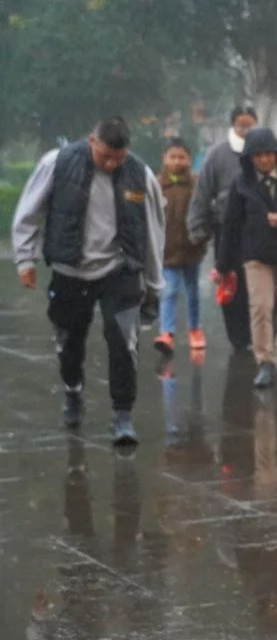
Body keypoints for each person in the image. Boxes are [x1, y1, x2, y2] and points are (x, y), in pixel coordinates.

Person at [11, 116, 164, 445]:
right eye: (105, 156)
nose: (111, 164)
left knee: (124, 342)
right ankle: (73, 390)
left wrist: (154, 284)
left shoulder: (140, 174)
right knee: (69, 341)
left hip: (119, 270)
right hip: (70, 271)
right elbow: (28, 211)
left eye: (118, 158)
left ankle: (123, 415)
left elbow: (151, 231)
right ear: (92, 142)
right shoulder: (58, 163)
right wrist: (25, 258)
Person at [216, 128, 277, 389]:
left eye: (268, 154)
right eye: (258, 155)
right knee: (260, 307)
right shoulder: (241, 184)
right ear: (250, 158)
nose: (264, 160)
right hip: (256, 255)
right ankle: (265, 362)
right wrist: (223, 266)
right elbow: (231, 226)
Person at [188, 106, 259, 352]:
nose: (246, 130)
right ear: (233, 125)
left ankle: (261, 334)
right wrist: (197, 226)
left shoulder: (264, 153)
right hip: (226, 230)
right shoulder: (217, 154)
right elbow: (203, 192)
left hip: (260, 230)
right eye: (241, 125)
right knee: (230, 282)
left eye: (250, 125)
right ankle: (238, 339)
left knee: (259, 283)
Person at [154, 137, 207, 355]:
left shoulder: (197, 184)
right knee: (170, 291)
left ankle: (195, 328)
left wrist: (203, 235)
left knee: (193, 291)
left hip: (192, 249)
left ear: (189, 159)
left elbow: (205, 211)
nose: (177, 161)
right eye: (172, 157)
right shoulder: (156, 186)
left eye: (182, 157)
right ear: (164, 159)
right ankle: (166, 332)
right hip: (166, 251)